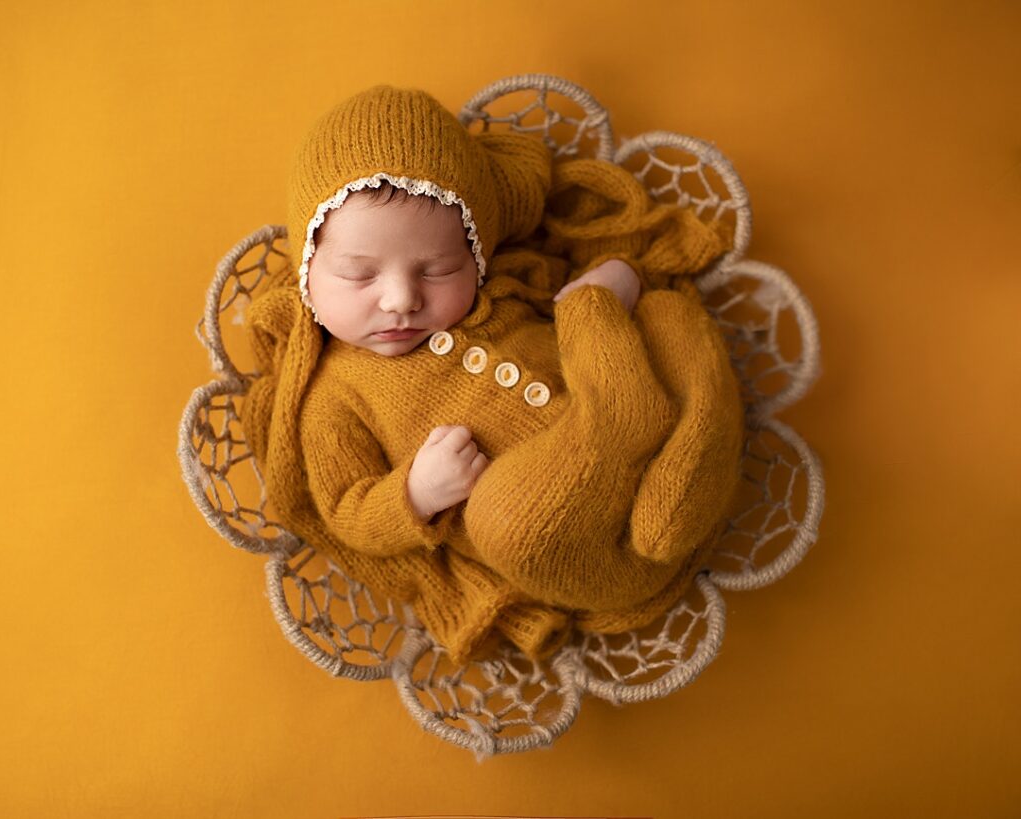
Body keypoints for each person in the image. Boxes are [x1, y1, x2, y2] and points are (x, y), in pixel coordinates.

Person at [242, 85, 744, 663]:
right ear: (307, 273)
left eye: (439, 269)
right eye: (359, 276)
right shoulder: (334, 395)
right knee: (504, 517)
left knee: (667, 314)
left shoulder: (505, 287)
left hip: (664, 473)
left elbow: (596, 286)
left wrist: (611, 283)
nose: (402, 299)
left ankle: (678, 457)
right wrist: (418, 491)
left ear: (476, 257)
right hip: (583, 546)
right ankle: (637, 431)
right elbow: (347, 512)